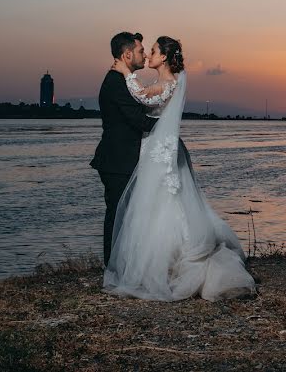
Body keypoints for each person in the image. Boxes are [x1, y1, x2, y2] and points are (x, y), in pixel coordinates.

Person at [102, 36, 255, 301]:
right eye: (144, 50)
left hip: (160, 151)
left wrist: (125, 72)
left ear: (163, 57)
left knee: (164, 205)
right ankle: (162, 262)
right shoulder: (162, 82)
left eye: (152, 51)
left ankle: (167, 265)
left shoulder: (168, 83)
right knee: (161, 205)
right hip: (158, 149)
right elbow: (144, 100)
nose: (148, 54)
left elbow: (139, 96)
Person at [90, 32, 157, 265]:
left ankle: (124, 265)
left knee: (126, 216)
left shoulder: (123, 80)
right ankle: (113, 269)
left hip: (123, 160)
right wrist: (169, 121)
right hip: (117, 162)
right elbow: (141, 121)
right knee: (117, 217)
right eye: (140, 51)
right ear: (127, 54)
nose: (144, 55)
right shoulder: (116, 83)